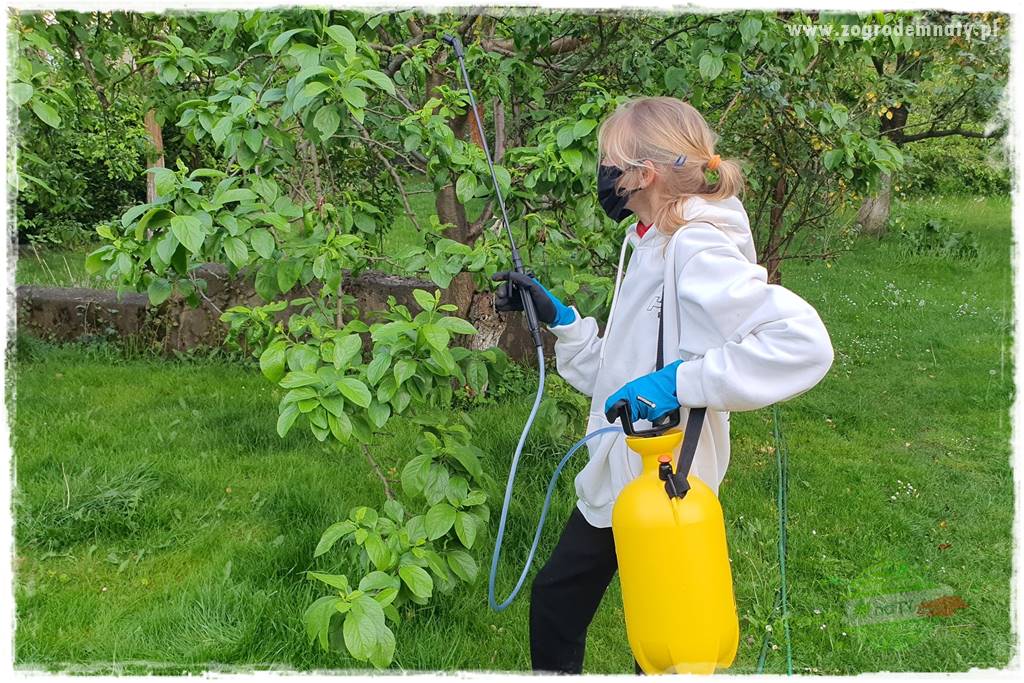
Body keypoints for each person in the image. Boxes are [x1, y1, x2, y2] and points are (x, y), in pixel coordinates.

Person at [492, 96, 834, 674]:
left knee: (669, 644)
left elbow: (803, 344)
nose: (603, 179)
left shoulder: (695, 247)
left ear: (643, 174)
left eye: (609, 165)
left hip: (668, 475)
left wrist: (685, 381)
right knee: (557, 601)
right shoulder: (651, 242)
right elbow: (623, 376)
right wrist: (563, 322)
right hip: (617, 470)